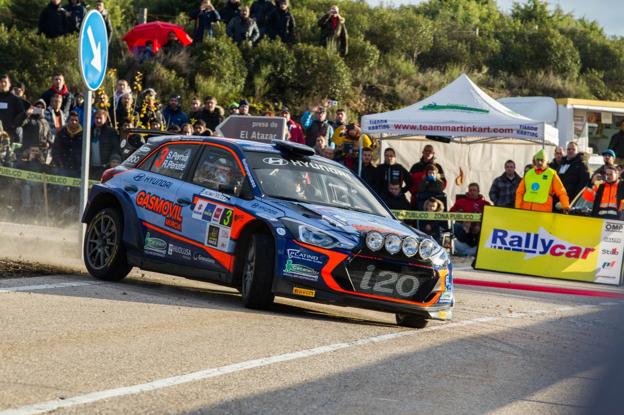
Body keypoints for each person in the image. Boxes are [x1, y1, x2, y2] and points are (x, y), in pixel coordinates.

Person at [90, 110, 121, 179]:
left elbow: (115, 148)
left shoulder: (111, 132)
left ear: (105, 119)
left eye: (100, 118)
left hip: (104, 167)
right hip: (90, 167)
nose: (98, 120)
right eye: (96, 118)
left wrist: (111, 163)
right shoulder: (89, 131)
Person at [52, 111, 82, 177]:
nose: (74, 122)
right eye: (72, 120)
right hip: (63, 167)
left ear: (79, 122)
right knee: (61, 187)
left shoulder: (83, 135)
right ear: (68, 121)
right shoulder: (61, 133)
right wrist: (59, 163)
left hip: (78, 168)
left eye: (76, 120)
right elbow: (55, 150)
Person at [0, 74, 27, 140]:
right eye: (1, 82)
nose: (3, 84)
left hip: (11, 134)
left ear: (9, 84)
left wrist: (13, 125)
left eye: (5, 82)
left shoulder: (15, 99)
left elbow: (23, 115)